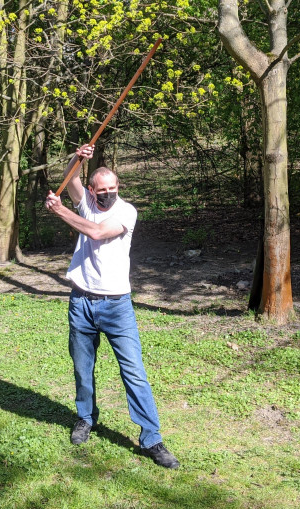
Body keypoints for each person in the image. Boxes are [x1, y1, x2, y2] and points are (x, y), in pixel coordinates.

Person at [45, 144, 179, 469]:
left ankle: (152, 439)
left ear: (118, 187)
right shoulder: (87, 203)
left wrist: (60, 211)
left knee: (134, 372)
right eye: (101, 190)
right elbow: (70, 178)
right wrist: (78, 158)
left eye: (112, 189)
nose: (107, 195)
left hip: (117, 306)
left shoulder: (126, 212)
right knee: (82, 368)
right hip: (81, 302)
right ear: (92, 191)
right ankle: (85, 418)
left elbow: (96, 232)